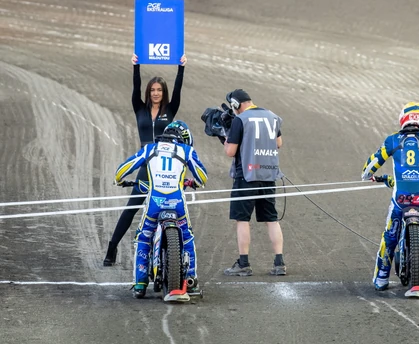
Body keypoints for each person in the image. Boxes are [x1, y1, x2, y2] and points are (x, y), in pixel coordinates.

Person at [362, 102, 419, 294]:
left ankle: (381, 278)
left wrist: (368, 175)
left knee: (390, 236)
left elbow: (370, 166)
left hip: (400, 199)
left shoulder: (392, 140)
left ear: (403, 119)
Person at [104, 53, 187, 266]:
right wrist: (136, 66)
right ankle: (112, 248)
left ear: (164, 93)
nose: (156, 93)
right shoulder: (139, 108)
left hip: (165, 165)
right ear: (148, 92)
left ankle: (173, 252)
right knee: (132, 207)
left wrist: (181, 68)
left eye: (159, 90)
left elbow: (178, 89)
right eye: (152, 90)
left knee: (169, 207)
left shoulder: (170, 109)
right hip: (146, 164)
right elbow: (135, 87)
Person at [114, 121, 208, 301]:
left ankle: (140, 283)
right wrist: (195, 182)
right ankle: (191, 280)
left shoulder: (150, 149)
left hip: (154, 203)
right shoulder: (186, 151)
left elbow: (122, 170)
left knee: (144, 237)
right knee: (187, 236)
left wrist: (119, 180)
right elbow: (202, 177)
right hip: (177, 202)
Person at [222, 89, 287, 277]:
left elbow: (230, 152)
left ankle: (243, 263)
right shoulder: (272, 116)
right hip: (268, 175)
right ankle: (279, 262)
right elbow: (279, 143)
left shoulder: (240, 120)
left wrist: (225, 138)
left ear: (236, 104)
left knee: (242, 219)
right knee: (271, 219)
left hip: (246, 176)